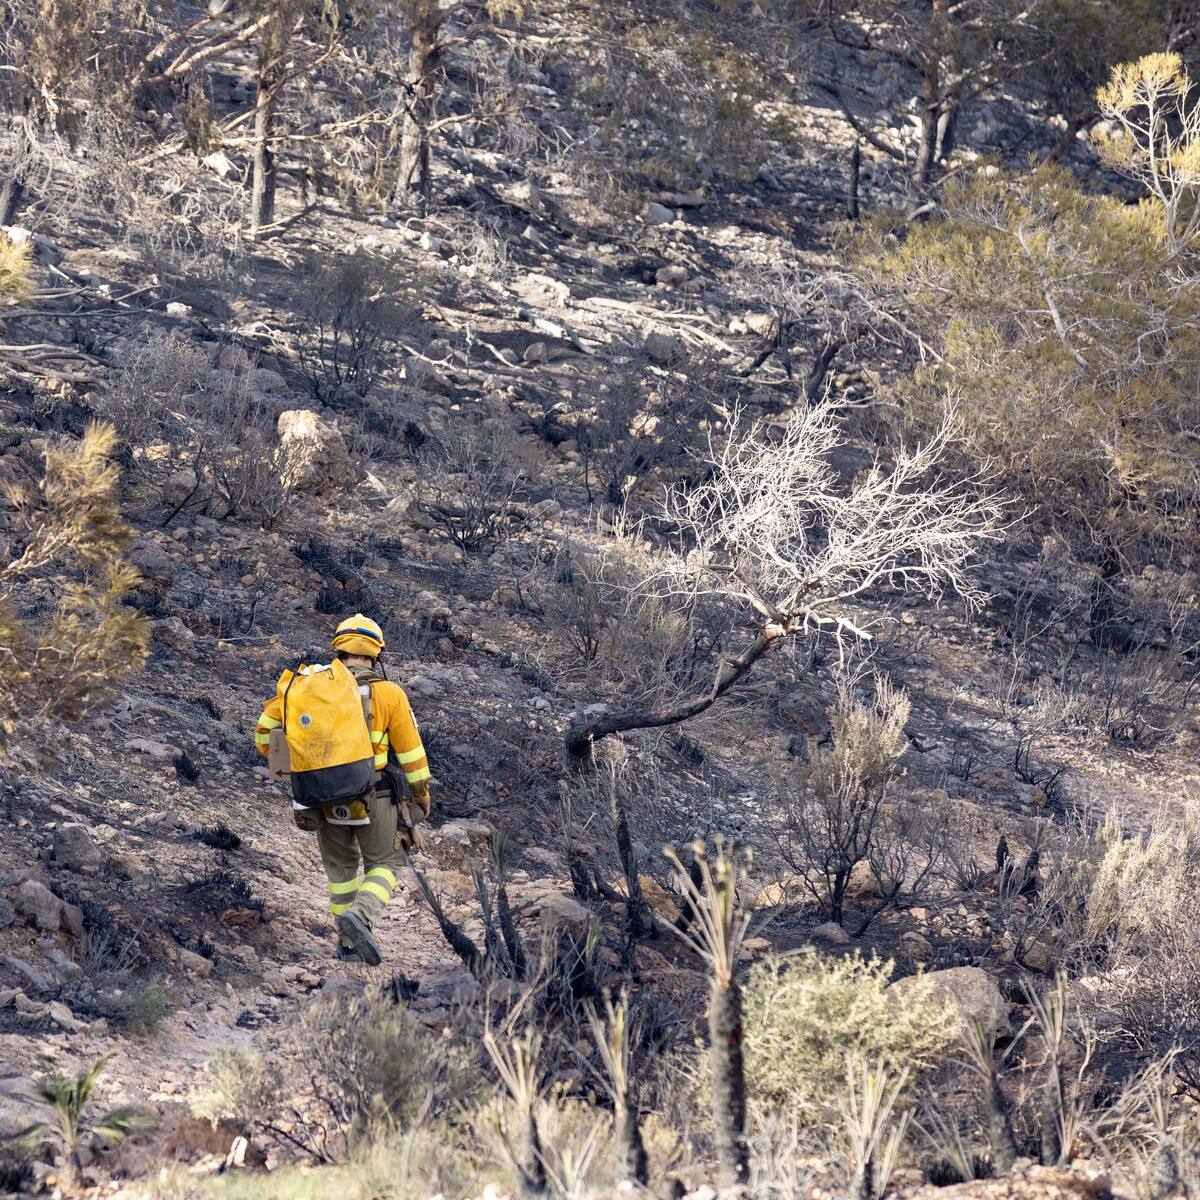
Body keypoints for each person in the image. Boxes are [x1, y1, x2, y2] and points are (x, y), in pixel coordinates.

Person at [255, 614, 431, 965]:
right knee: (386, 861)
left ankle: (347, 945)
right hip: (375, 796)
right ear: (376, 654)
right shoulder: (389, 693)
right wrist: (421, 795)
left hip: (320, 795)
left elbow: (264, 737)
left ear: (338, 648)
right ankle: (362, 917)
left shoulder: (307, 686)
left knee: (340, 872)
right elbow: (412, 754)